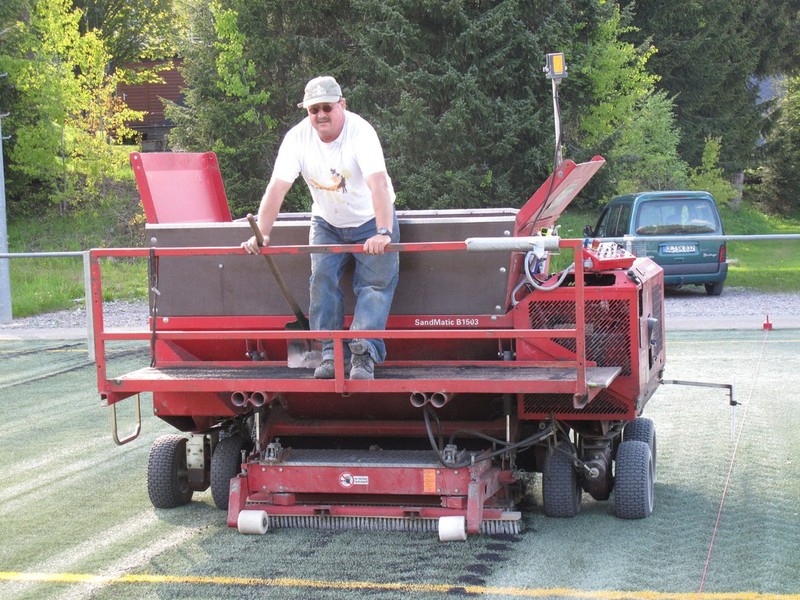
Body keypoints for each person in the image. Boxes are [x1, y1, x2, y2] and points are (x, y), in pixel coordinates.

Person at [241, 75, 399, 380]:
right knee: (321, 281)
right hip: (327, 222)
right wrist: (262, 233)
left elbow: (378, 184)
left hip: (370, 220)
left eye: (327, 107)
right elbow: (277, 188)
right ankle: (330, 354)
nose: (321, 115)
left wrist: (383, 232)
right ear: (307, 111)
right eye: (314, 110)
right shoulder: (297, 138)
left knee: (375, 286)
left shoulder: (361, 133)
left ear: (342, 104)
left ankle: (363, 355)